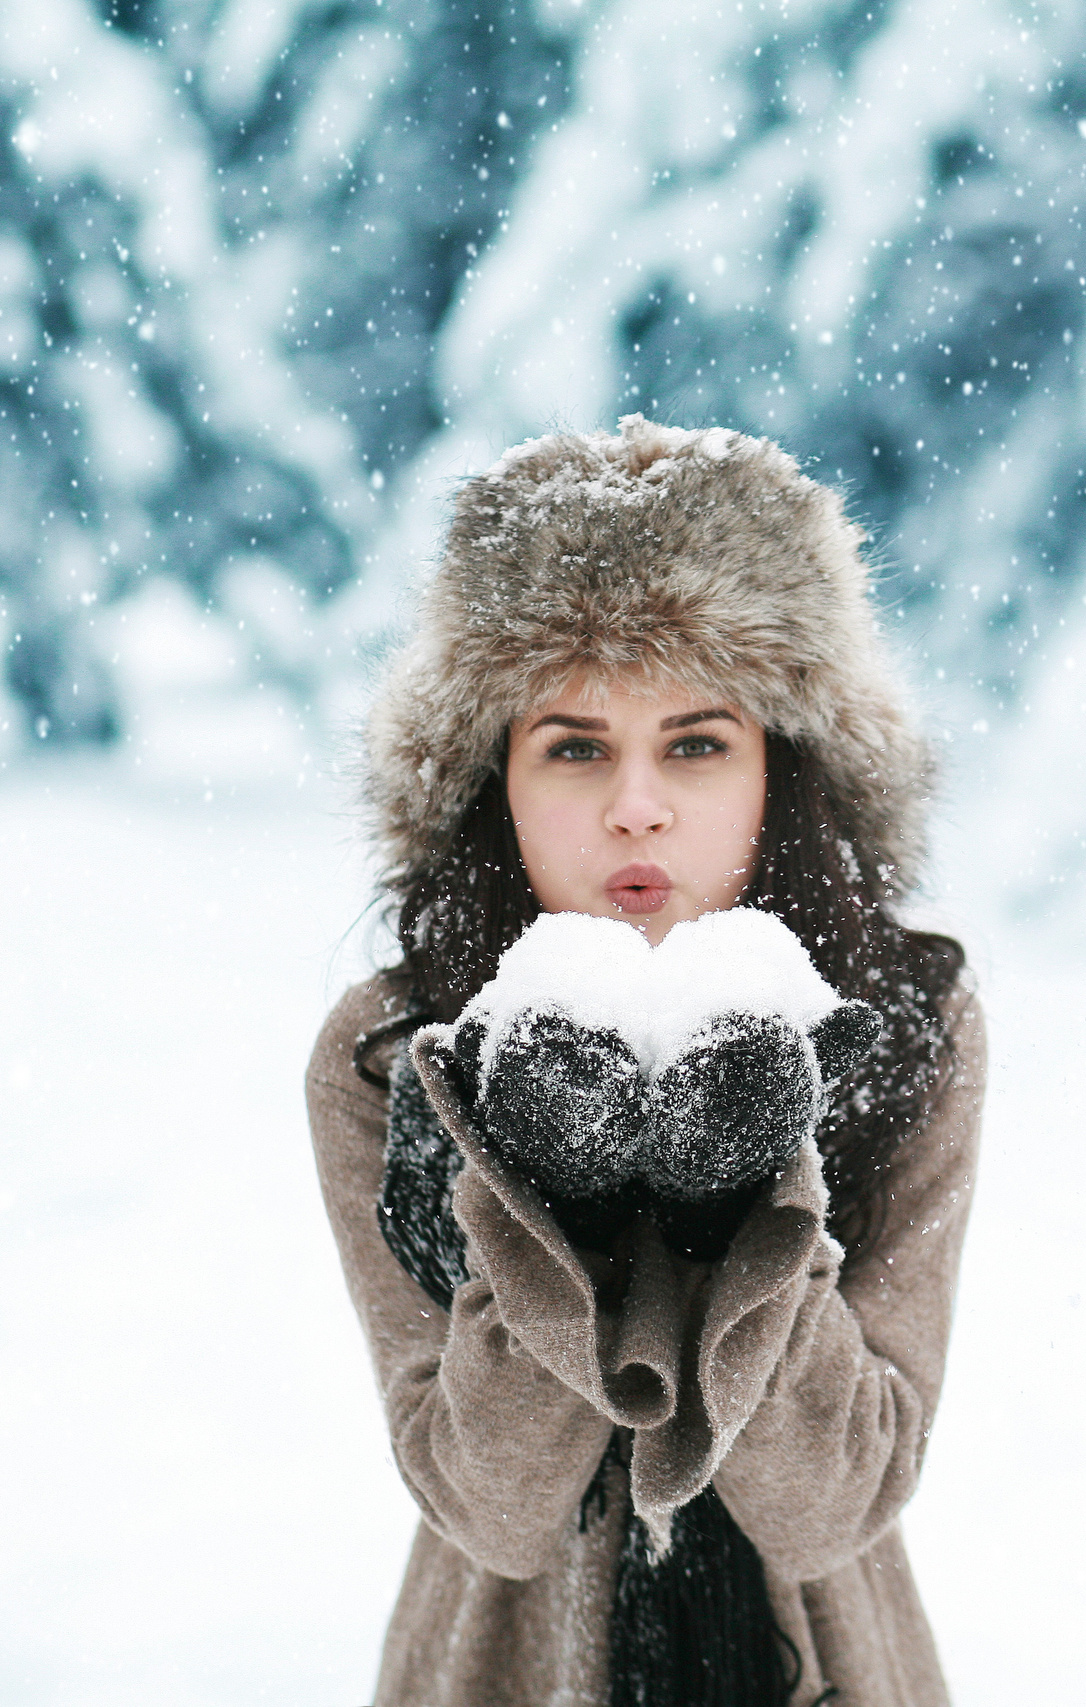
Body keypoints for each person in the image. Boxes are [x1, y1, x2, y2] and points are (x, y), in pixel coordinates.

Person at [305, 416, 987, 1707]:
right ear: (489, 778)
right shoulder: (392, 1055)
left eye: (694, 743)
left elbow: (834, 1502)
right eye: (574, 746)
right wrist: (545, 1204)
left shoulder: (906, 1023)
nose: (635, 805)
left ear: (781, 769)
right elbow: (491, 1505)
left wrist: (750, 1200)